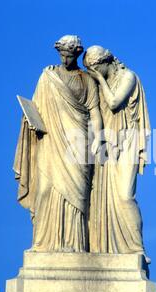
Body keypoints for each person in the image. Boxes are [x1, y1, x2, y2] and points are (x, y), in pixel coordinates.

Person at [13, 35, 102, 253]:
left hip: (78, 141)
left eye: (69, 55)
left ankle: (75, 244)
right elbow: (35, 107)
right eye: (61, 54)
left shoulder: (87, 80)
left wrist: (99, 139)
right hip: (50, 140)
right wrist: (29, 120)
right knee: (45, 190)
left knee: (76, 196)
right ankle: (44, 244)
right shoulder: (48, 76)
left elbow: (94, 112)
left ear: (77, 54)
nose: (64, 58)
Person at [83, 45, 151, 258]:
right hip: (107, 142)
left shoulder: (128, 77)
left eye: (94, 67)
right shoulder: (96, 81)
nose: (92, 72)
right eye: (89, 69)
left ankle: (137, 248)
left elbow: (113, 103)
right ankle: (103, 246)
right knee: (100, 197)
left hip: (127, 140)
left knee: (124, 196)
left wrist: (100, 80)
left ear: (105, 62)